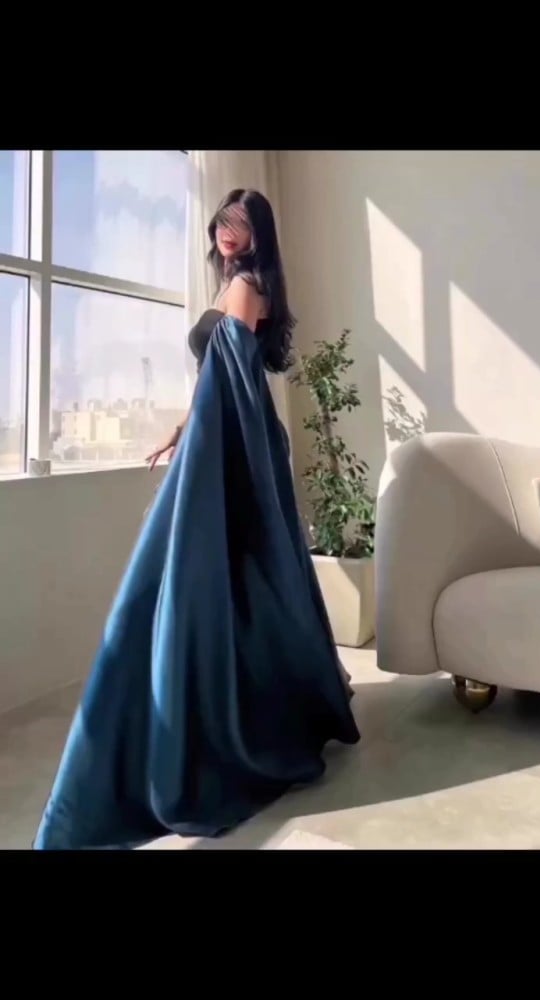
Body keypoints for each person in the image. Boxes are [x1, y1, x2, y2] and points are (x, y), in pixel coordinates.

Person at [34, 188, 360, 851]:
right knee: (242, 579)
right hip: (231, 436)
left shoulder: (245, 285)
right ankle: (265, 701)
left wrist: (203, 454)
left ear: (259, 234)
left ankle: (209, 729)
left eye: (241, 224)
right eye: (223, 222)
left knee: (204, 574)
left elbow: (229, 381)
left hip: (233, 444)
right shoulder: (239, 286)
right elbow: (220, 376)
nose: (228, 233)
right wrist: (183, 431)